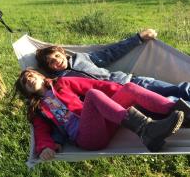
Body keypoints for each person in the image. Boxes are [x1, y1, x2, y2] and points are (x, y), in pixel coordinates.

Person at [16, 69, 190, 160]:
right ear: (26, 91)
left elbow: (97, 85)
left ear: (40, 76)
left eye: (31, 75)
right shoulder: (37, 109)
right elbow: (41, 132)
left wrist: (123, 94)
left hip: (105, 121)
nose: (28, 79)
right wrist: (45, 147)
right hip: (86, 137)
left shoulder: (62, 82)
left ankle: (182, 112)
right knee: (92, 96)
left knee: (128, 88)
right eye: (25, 82)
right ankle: (146, 130)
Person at [35, 29, 190, 103]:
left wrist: (139, 38)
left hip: (131, 82)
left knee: (178, 89)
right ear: (49, 68)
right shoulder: (61, 83)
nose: (56, 61)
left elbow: (111, 53)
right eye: (50, 62)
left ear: (62, 52)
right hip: (120, 98)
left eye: (56, 56)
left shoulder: (83, 58)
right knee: (170, 103)